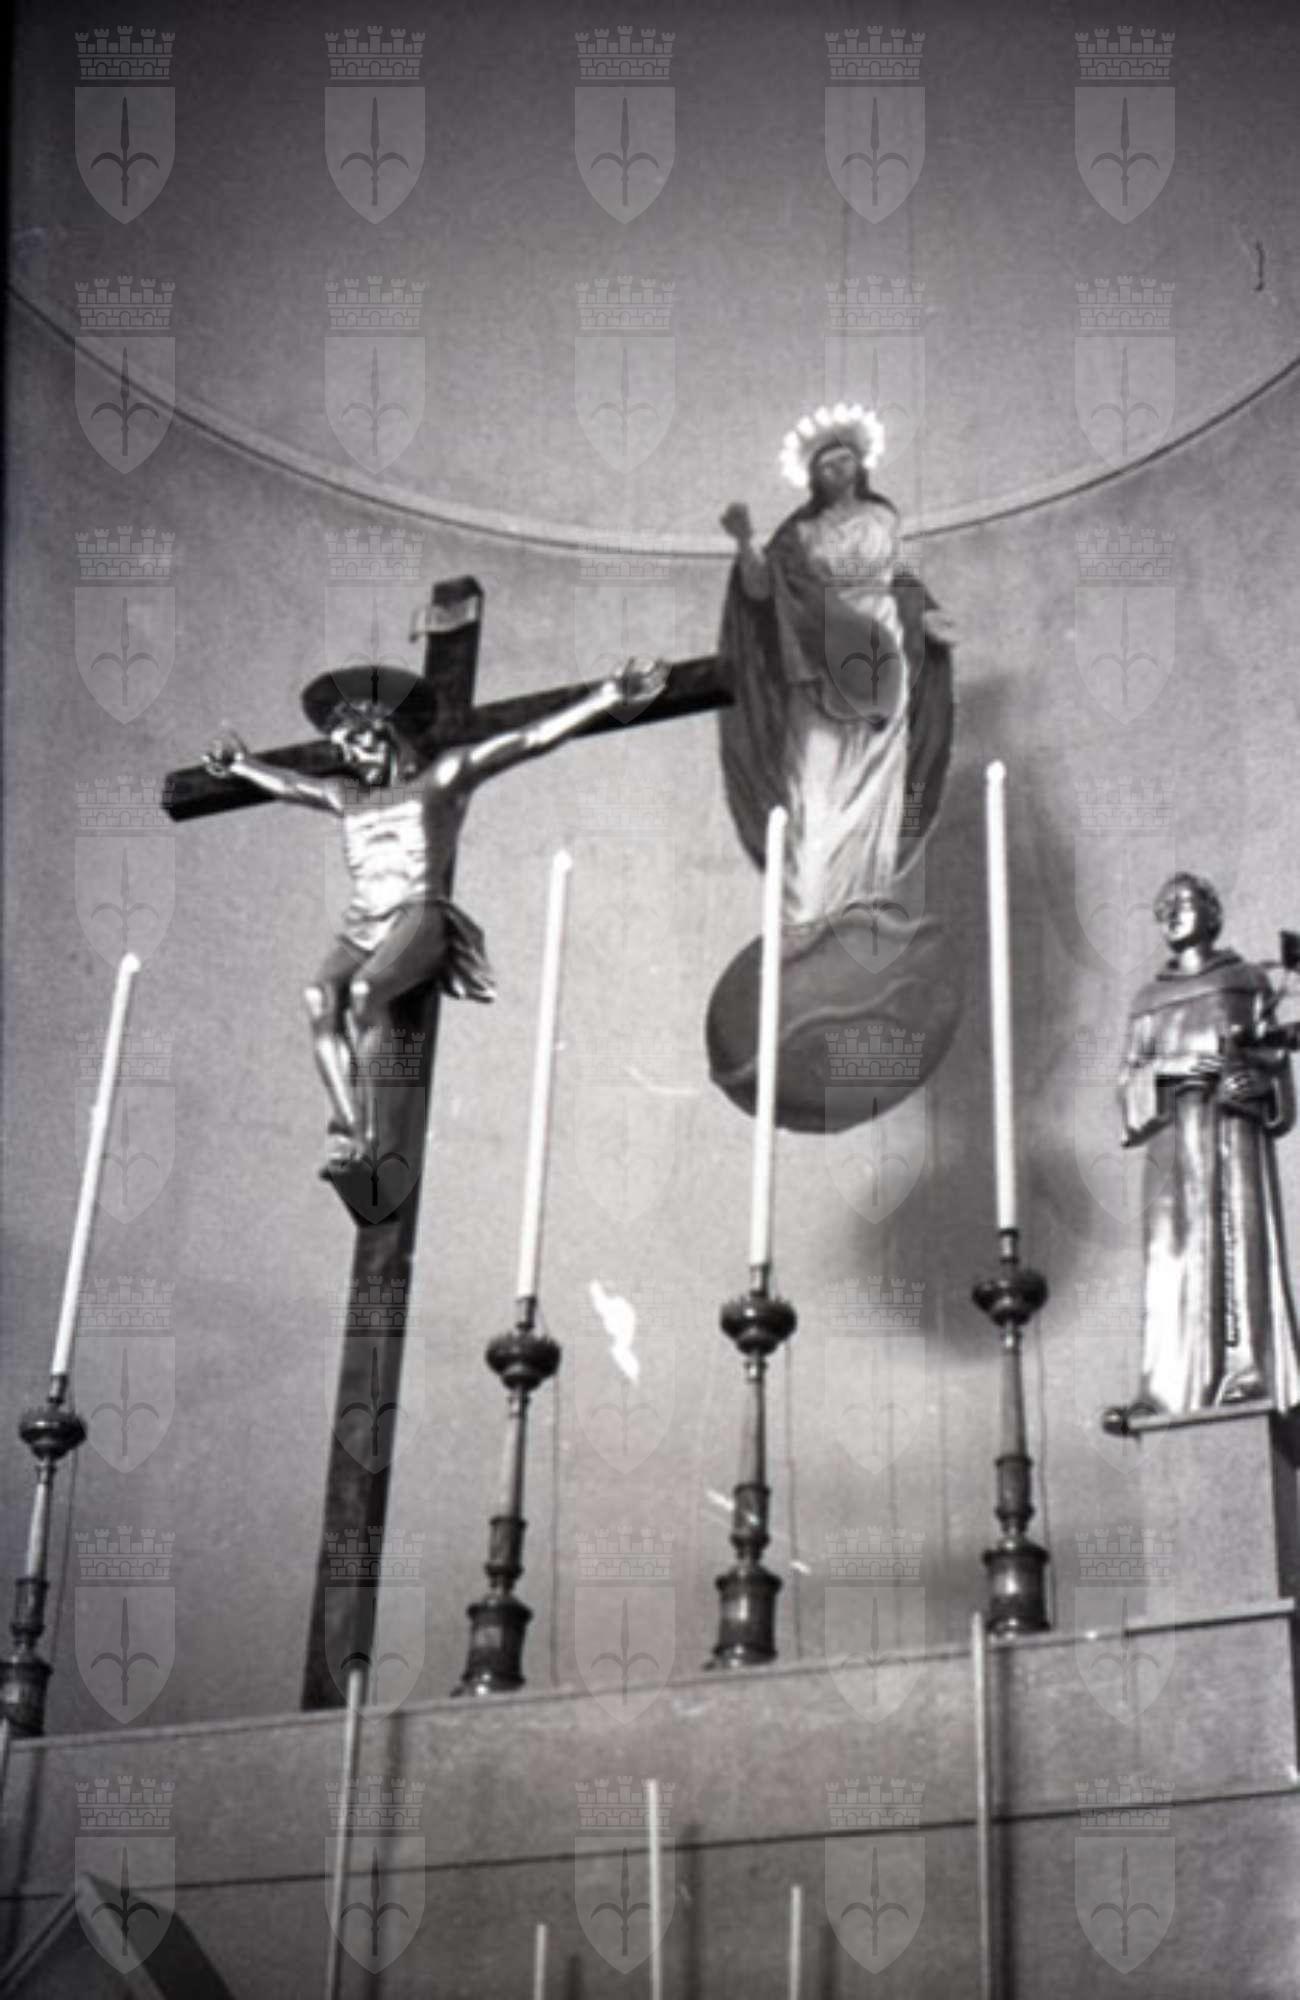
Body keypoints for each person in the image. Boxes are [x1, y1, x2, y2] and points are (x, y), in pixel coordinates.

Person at [205, 655, 667, 1177]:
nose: (349, 757)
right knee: (319, 997)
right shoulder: (348, 796)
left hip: (418, 915)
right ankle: (350, 1126)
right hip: (363, 923)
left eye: (355, 742)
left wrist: (607, 696)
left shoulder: (440, 780)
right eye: (341, 749)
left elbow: (528, 739)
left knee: (366, 991)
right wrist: (241, 765)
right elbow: (292, 785)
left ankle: (372, 1136)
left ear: (386, 731)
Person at [707, 402, 960, 1132]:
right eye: (825, 461)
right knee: (817, 789)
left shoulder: (884, 519)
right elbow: (763, 592)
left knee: (876, 789)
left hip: (881, 660)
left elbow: (902, 584)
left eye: (846, 456)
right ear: (813, 476)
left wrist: (926, 619)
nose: (838, 467)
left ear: (861, 465)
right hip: (819, 663)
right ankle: (809, 915)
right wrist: (744, 542)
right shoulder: (800, 537)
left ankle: (864, 899)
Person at [1109, 872, 1300, 1422]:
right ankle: (1165, 1387)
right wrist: (1176, 1068)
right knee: (1170, 1256)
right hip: (1173, 1141)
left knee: (1239, 1241)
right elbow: (1128, 1080)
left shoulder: (1245, 983)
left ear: (1212, 913)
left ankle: (1245, 1371)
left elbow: (1274, 1071)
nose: (1171, 912)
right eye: (1162, 906)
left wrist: (1257, 1087)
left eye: (1183, 902)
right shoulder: (1149, 1001)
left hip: (1230, 1132)